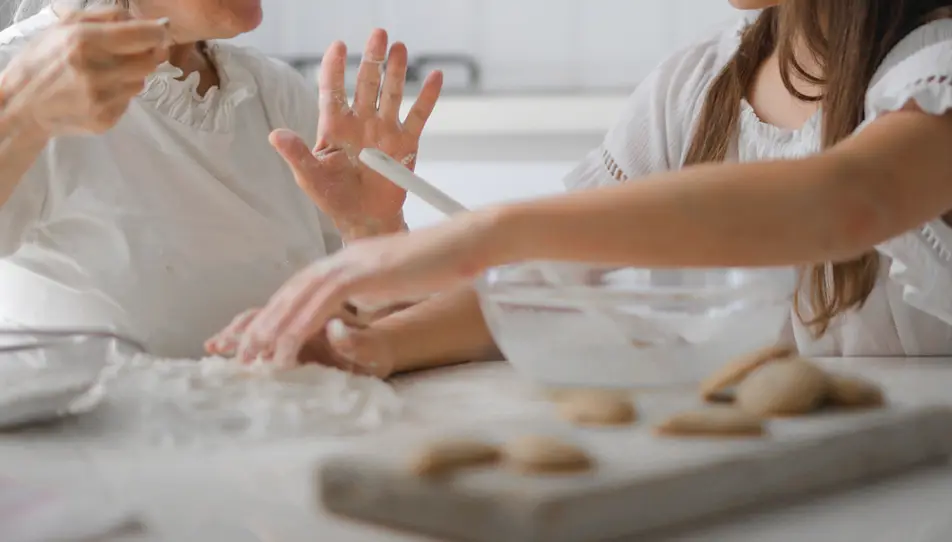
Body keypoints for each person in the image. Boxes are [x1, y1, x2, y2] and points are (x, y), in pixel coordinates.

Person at [213, 0, 952, 374]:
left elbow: (853, 199)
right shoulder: (694, 87)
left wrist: (492, 230)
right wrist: (370, 348)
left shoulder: (936, 68)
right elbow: (548, 281)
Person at [0, 0, 442, 357]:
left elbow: (370, 335)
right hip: (92, 453)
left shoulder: (275, 92)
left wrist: (372, 230)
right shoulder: (19, 74)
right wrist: (19, 116)